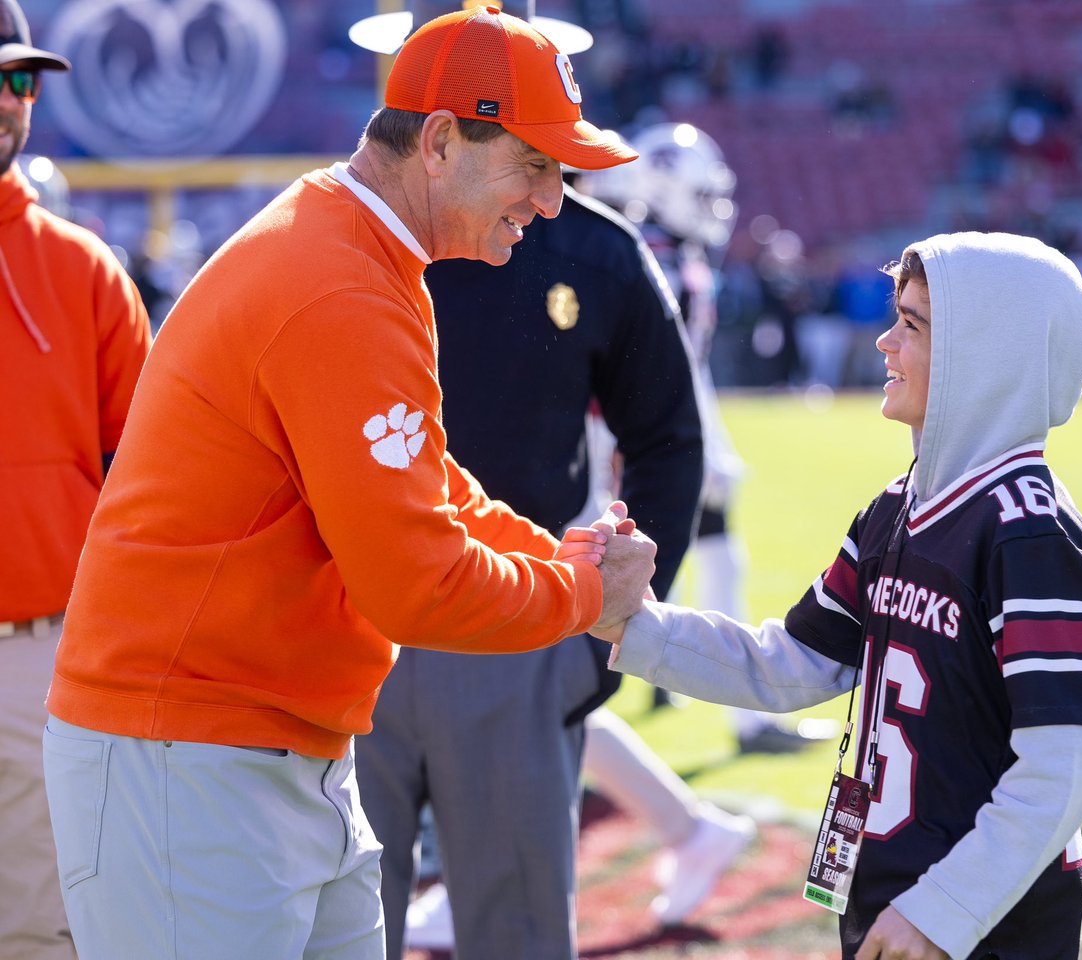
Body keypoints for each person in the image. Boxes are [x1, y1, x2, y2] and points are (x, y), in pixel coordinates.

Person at [40, 9, 655, 960]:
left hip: (255, 748)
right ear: (442, 140)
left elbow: (427, 481)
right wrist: (581, 594)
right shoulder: (342, 281)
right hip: (190, 758)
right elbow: (415, 583)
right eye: (535, 164)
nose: (552, 200)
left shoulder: (359, 250)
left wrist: (556, 555)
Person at [588, 232, 1082, 960]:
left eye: (914, 324)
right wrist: (634, 623)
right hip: (886, 891)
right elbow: (792, 662)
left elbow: (1070, 758)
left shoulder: (1029, 535)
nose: (883, 342)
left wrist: (946, 908)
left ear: (987, 354)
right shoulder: (893, 510)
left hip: (982, 924)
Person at [355, 171, 706, 959]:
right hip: (348, 618)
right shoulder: (342, 233)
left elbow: (668, 443)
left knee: (515, 933)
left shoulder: (594, 248)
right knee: (333, 931)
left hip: (514, 620)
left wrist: (610, 629)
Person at [581, 122, 820, 752]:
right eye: (702, 193)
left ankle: (685, 686)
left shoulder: (658, 249)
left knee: (686, 552)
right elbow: (665, 373)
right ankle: (741, 713)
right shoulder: (652, 256)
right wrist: (697, 446)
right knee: (619, 573)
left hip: (637, 436)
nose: (715, 209)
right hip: (634, 441)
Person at [0, 3, 151, 956]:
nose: (9, 101)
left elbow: (155, 487)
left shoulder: (86, 270)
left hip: (42, 656)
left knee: (43, 931)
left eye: (20, 80)